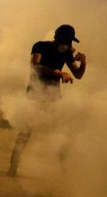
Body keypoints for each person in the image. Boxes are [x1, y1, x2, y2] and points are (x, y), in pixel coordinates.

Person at [8, 24, 87, 176]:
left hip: (53, 96)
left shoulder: (66, 54)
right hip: (35, 94)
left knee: (61, 131)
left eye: (70, 41)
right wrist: (57, 72)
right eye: (65, 40)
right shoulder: (41, 46)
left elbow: (77, 74)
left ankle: (65, 172)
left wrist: (83, 62)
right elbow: (34, 66)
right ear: (57, 38)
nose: (68, 44)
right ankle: (13, 168)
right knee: (25, 132)